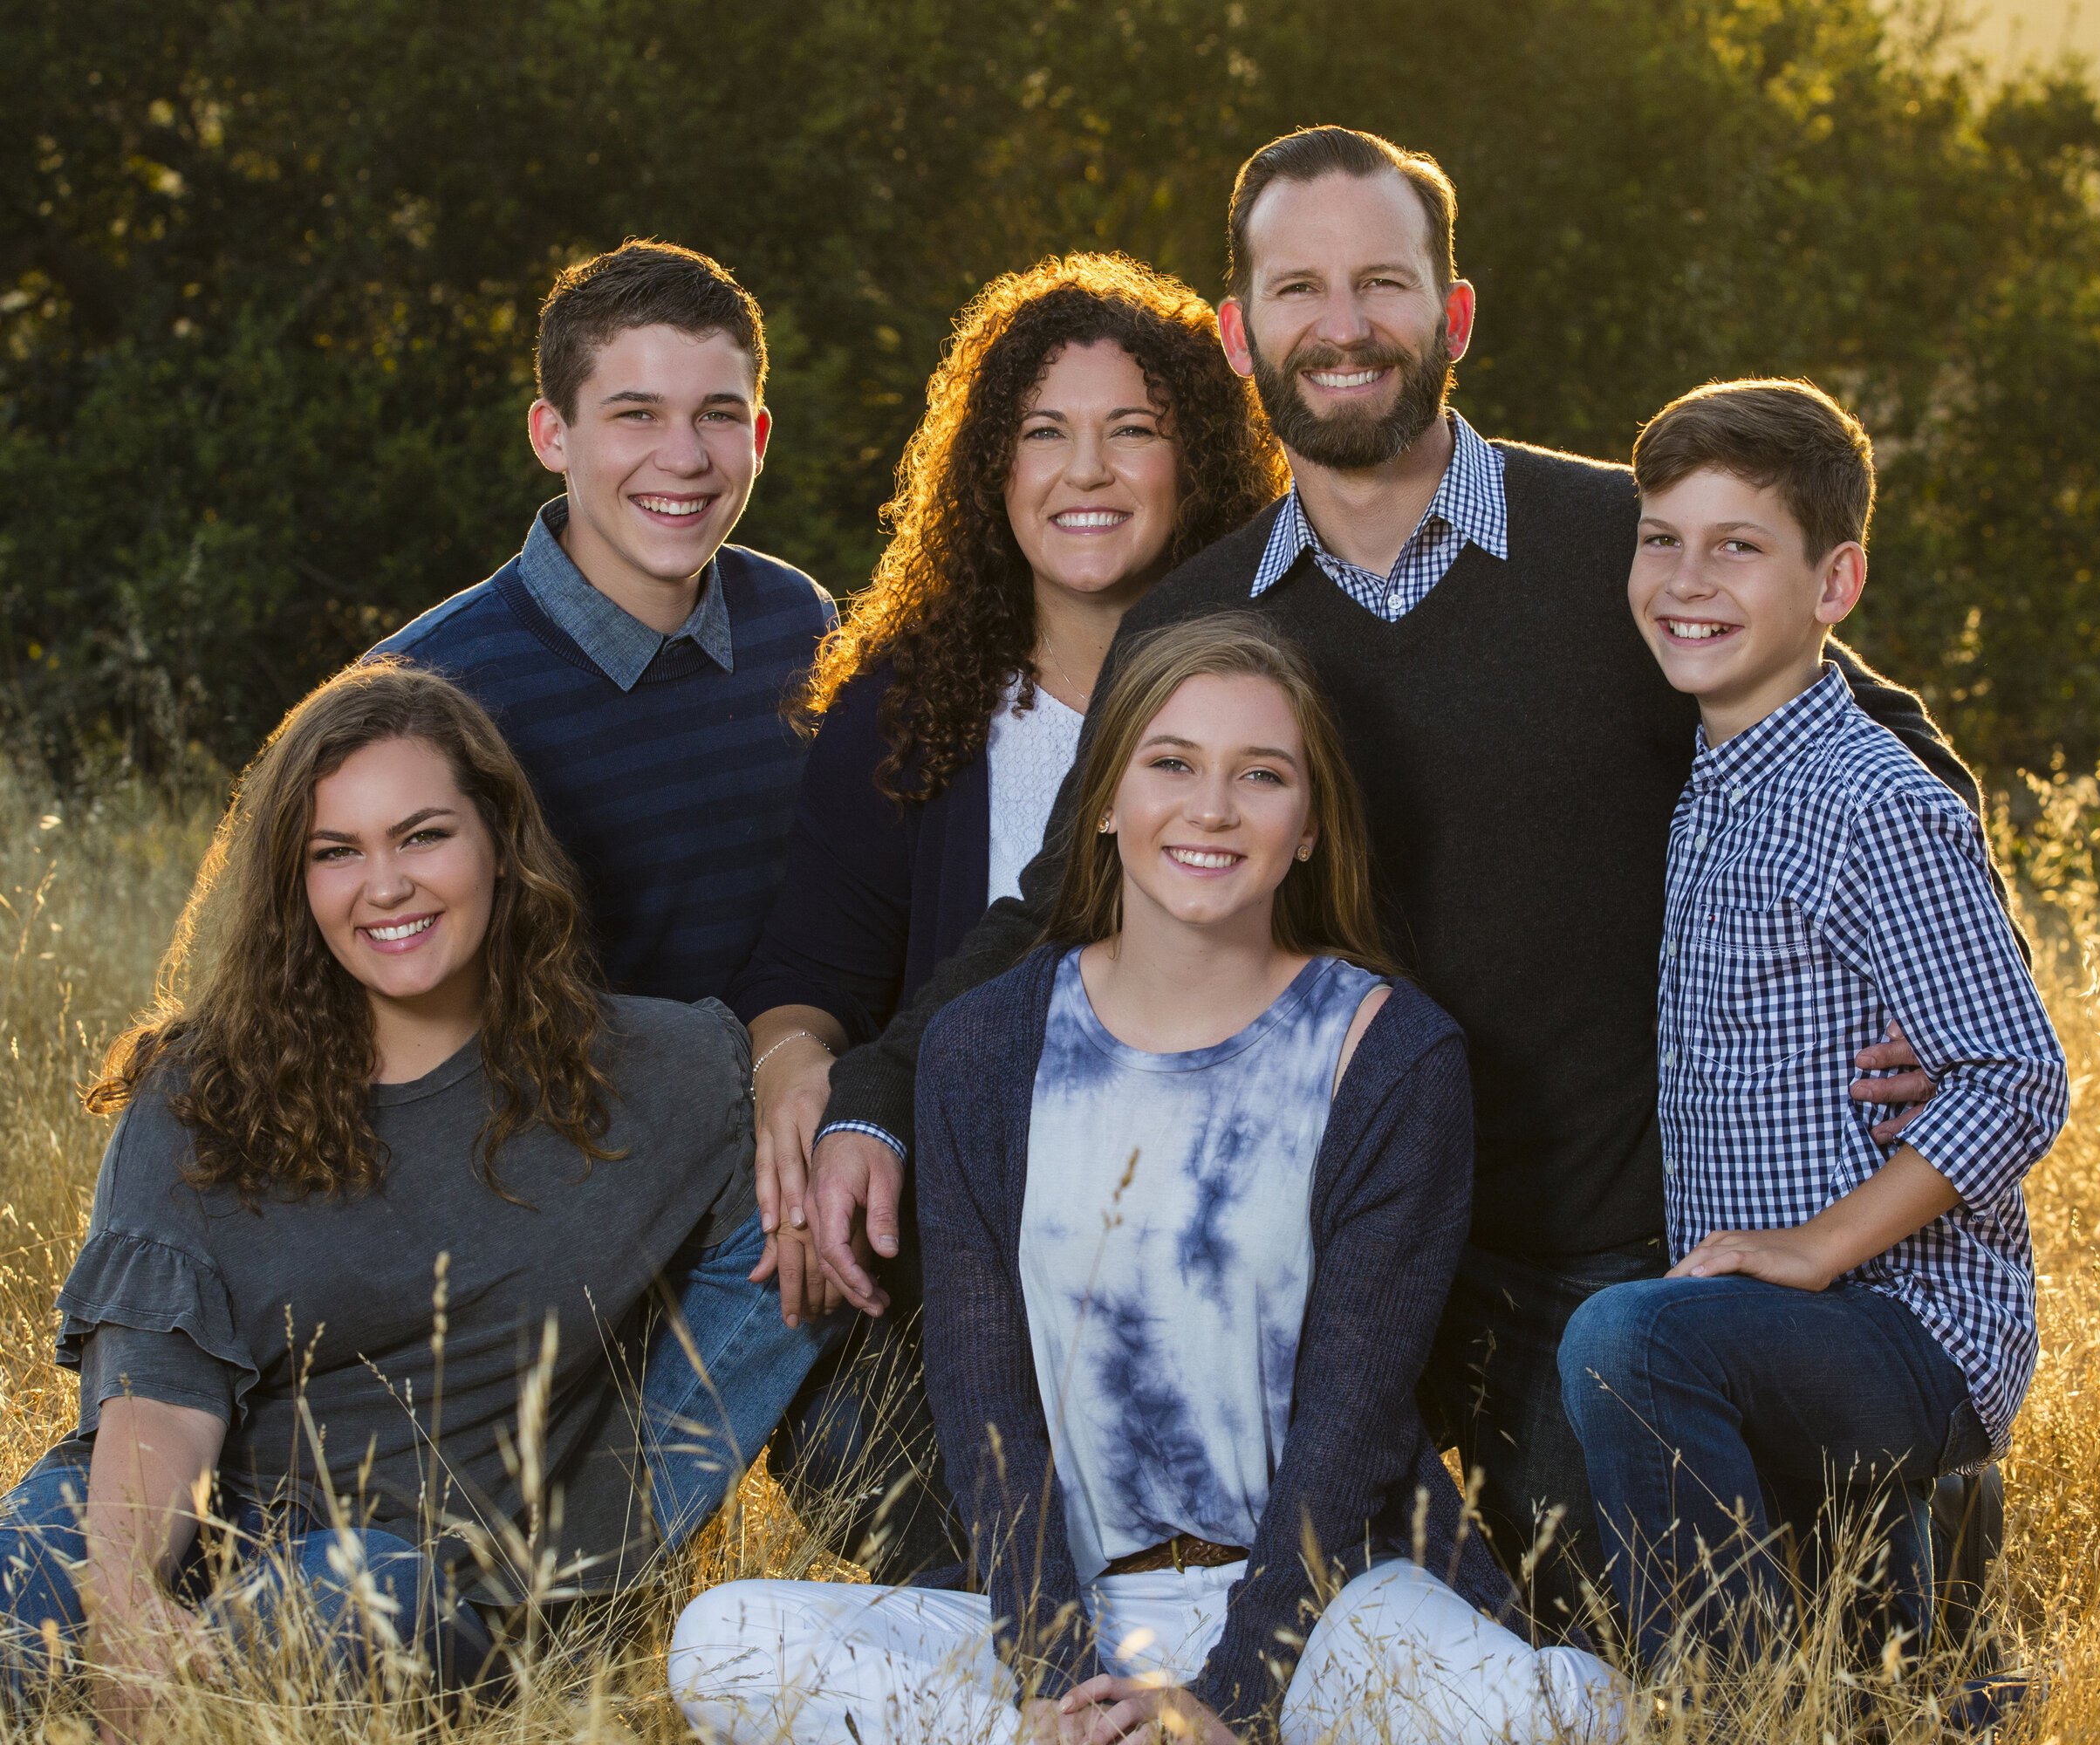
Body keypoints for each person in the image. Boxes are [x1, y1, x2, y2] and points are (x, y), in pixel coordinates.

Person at [800, 125, 1987, 1634]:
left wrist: (1920, 984)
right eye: (1299, 289)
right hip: (1324, 1266)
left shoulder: (1610, 543)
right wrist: (872, 1094)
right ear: (1240, 337)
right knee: (1332, 1635)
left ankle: (1915, 1529)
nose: (1343, 324)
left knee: (1695, 1654)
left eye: (1384, 283)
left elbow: (1861, 725)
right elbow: (1060, 905)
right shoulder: (1200, 616)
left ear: (1455, 315)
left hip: (1592, 1253)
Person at [671, 617, 1624, 1745]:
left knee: (1563, 1716)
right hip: (1076, 1603)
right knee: (723, 1642)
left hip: (1326, 1604)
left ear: (1310, 825)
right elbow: (987, 1416)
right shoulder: (986, 1048)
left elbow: (1350, 1431)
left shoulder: (1387, 1054)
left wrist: (1228, 1702)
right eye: (1171, 764)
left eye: (1260, 776)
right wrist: (1059, 1684)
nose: (1211, 810)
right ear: (1105, 802)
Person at [0, 665, 785, 1725]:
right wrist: (129, 1600)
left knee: (341, 1594)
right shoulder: (204, 1089)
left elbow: (805, 1219)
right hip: (171, 1520)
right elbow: (157, 1390)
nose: (386, 884)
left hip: (407, 1577)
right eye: (337, 851)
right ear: (296, 882)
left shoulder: (662, 1072)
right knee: (25, 1579)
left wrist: (607, 1539)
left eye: (423, 835)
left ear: (500, 845)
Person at [729, 255, 1282, 1576]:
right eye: (1045, 434)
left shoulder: (1271, 699)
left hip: (1206, 1266)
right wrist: (798, 1072)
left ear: (1196, 460)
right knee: (812, 1392)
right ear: (991, 469)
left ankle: (1133, 1602)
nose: (1083, 471)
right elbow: (810, 966)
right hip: (952, 1265)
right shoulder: (908, 708)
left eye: (1130, 432)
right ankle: (1019, 1621)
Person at [1556, 380, 2067, 1669]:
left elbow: (2017, 1075)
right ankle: (1855, 1673)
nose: (1688, 578)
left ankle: (1733, 1709)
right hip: (1797, 1341)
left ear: (1835, 585)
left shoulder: (1862, 801)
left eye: (1738, 546)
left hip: (1912, 1329)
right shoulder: (1719, 778)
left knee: (1627, 1340)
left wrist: (1813, 1248)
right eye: (1662, 538)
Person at [372, 239, 843, 1524]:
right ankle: (573, 1584)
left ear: (759, 430)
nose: (681, 460)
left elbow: (846, 905)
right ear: (552, 434)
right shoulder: (427, 698)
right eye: (633, 414)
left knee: (918, 1496)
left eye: (714, 417)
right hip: (536, 1204)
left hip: (777, 1173)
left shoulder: (800, 627)